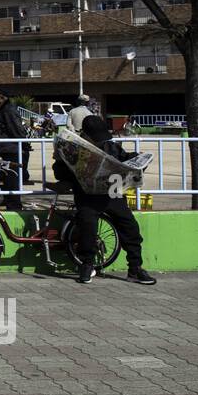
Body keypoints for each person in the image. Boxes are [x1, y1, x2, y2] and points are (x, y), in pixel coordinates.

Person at [54, 114, 155, 286]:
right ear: (85, 136)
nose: (100, 142)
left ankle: (135, 268)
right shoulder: (75, 148)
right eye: (96, 139)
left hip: (112, 194)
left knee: (129, 226)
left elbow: (125, 158)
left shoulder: (110, 146)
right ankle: (87, 264)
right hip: (87, 196)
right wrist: (62, 160)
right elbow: (60, 172)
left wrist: (139, 161)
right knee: (87, 226)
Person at [0, 93, 30, 210]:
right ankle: (9, 200)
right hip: (6, 149)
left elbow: (16, 129)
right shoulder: (3, 110)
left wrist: (24, 144)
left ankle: (14, 204)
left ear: (2, 98)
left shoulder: (8, 110)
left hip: (11, 150)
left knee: (11, 178)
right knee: (6, 177)